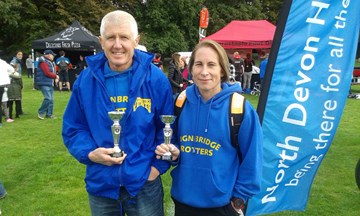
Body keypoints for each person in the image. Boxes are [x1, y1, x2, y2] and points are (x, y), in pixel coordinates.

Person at [62, 10, 173, 216]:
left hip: (144, 184)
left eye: (124, 37)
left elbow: (167, 127)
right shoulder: (86, 80)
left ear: (136, 40)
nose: (117, 44)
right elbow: (74, 127)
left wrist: (156, 168)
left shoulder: (156, 80)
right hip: (101, 183)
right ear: (101, 41)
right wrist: (89, 153)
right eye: (111, 37)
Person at [155, 40, 263, 216]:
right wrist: (173, 153)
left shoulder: (239, 108)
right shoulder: (182, 102)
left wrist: (238, 201)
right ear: (191, 69)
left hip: (222, 206)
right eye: (199, 64)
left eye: (211, 65)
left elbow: (253, 160)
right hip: (184, 202)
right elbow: (174, 143)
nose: (204, 72)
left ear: (222, 70)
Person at [35, 50, 59, 120]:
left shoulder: (50, 62)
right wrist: (56, 76)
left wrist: (55, 78)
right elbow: (47, 73)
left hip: (49, 82)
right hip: (44, 82)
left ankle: (49, 114)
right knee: (48, 98)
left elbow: (52, 72)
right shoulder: (43, 62)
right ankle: (41, 112)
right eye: (52, 55)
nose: (53, 56)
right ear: (48, 55)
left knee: (51, 100)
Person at [0, 58, 16, 127]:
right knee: (3, 102)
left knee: (4, 102)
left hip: (2, 84)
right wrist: (7, 74)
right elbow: (12, 70)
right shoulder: (3, 62)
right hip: (3, 85)